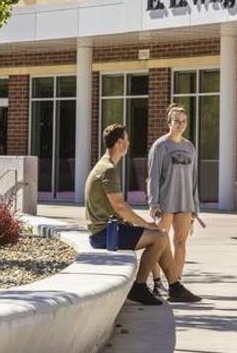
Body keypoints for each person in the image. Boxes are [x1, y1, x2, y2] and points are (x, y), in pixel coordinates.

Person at [85, 123, 201, 306]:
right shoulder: (107, 169)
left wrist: (143, 225)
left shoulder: (105, 166)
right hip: (104, 235)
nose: (129, 143)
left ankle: (174, 287)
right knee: (160, 237)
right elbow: (120, 207)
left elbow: (118, 208)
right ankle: (140, 286)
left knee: (159, 236)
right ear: (120, 142)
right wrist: (147, 225)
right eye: (127, 139)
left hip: (109, 230)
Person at [146, 103, 200, 295]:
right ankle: (157, 281)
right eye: (176, 121)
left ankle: (175, 283)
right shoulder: (160, 146)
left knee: (180, 243)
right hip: (165, 203)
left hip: (185, 203)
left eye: (184, 122)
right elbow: (153, 177)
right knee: (159, 242)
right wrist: (154, 203)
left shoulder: (189, 147)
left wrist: (195, 207)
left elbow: (193, 179)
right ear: (169, 122)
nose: (180, 125)